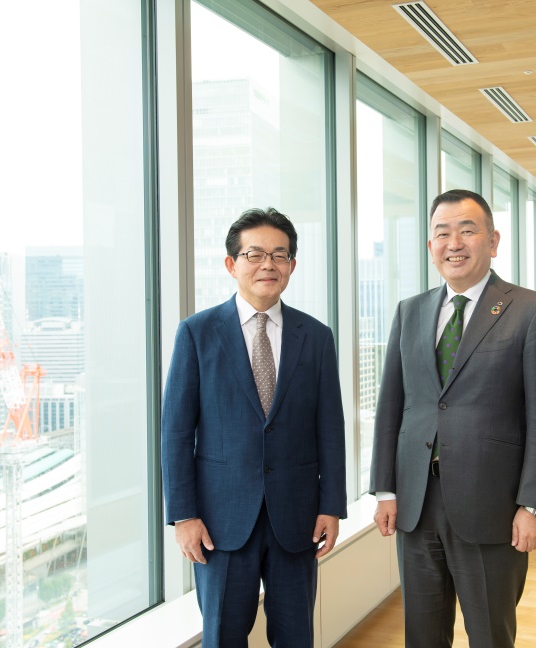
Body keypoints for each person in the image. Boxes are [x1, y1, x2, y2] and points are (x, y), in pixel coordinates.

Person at [370, 189, 536, 647]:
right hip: (417, 505)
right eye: (442, 233)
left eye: (467, 230)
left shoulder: (531, 310)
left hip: (493, 507)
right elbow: (392, 406)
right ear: (430, 247)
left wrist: (533, 506)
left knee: (489, 636)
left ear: (493, 241)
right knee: (423, 636)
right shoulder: (410, 311)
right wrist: (385, 489)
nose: (454, 243)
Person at [161, 207, 346, 648]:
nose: (268, 264)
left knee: (296, 636)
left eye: (280, 255)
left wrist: (332, 505)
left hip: (297, 518)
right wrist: (184, 515)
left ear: (292, 266)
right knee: (223, 636)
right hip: (219, 523)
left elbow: (330, 429)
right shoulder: (197, 333)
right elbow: (176, 433)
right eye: (255, 254)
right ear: (232, 264)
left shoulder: (316, 336)